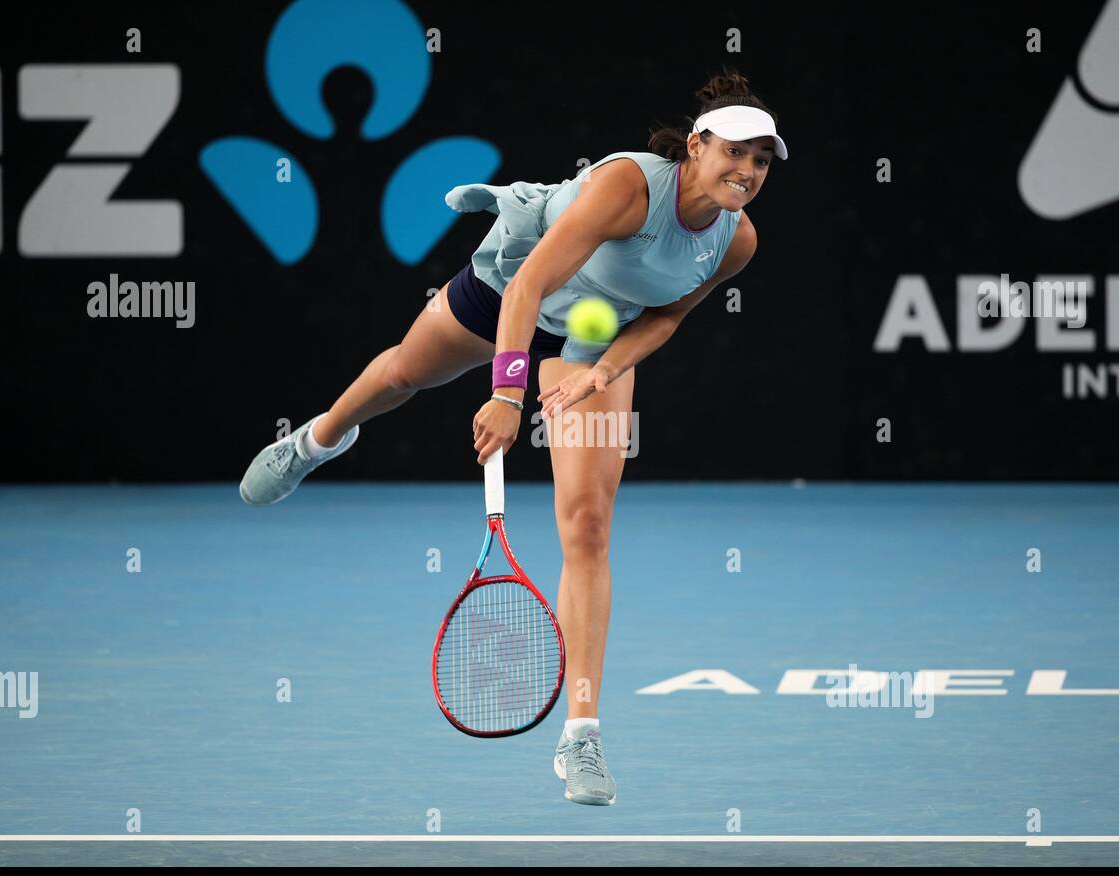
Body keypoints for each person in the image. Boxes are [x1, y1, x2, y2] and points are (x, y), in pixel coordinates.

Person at [239, 68, 786, 806]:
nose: (748, 172)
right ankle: (317, 441)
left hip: (597, 337)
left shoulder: (736, 239)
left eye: (762, 161)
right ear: (696, 145)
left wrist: (603, 373)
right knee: (404, 373)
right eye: (736, 153)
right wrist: (506, 393)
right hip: (517, 280)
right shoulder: (627, 186)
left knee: (589, 527)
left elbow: (667, 317)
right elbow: (527, 288)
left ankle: (582, 739)